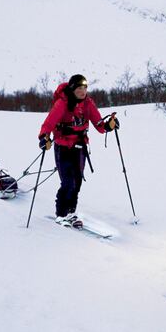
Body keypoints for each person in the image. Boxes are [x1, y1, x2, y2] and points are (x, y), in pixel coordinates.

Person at [38, 74, 118, 228]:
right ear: (73, 89)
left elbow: (100, 125)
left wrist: (110, 125)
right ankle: (61, 214)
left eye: (85, 88)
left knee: (77, 182)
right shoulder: (62, 103)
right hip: (63, 147)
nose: (83, 91)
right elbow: (48, 124)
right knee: (67, 182)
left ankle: (71, 212)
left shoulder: (88, 103)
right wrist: (44, 138)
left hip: (80, 147)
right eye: (79, 88)